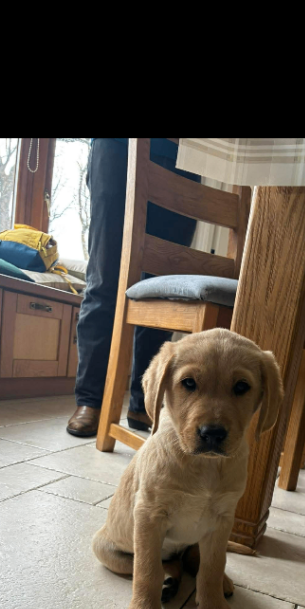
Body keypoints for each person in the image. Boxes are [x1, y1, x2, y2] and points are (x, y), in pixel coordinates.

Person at [67, 138, 199, 437]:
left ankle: (143, 402)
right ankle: (91, 401)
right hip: (117, 149)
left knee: (162, 295)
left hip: (184, 157)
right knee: (105, 281)